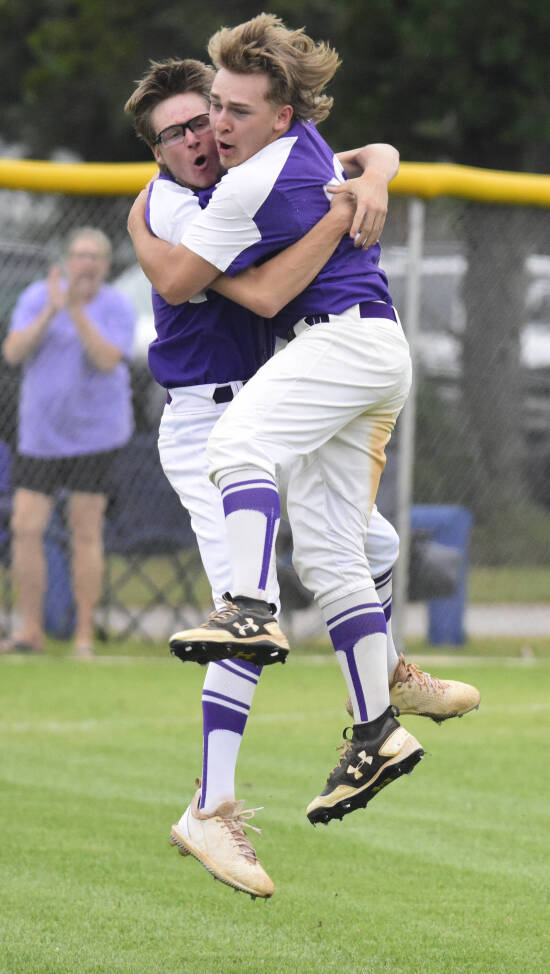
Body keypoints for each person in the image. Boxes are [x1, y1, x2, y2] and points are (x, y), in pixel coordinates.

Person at [126, 46, 479, 897]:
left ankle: (381, 692)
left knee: (369, 544)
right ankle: (210, 808)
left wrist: (378, 173)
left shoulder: (258, 161)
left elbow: (366, 149)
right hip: (212, 410)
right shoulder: (175, 204)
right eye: (180, 128)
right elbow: (245, 292)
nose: (204, 131)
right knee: (257, 610)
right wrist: (348, 205)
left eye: (214, 110)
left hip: (288, 390)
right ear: (157, 152)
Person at [0, 227, 136, 659]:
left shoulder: (115, 304)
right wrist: (51, 312)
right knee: (25, 526)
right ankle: (31, 632)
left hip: (94, 435)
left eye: (95, 256)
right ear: (64, 261)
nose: (87, 263)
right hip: (41, 434)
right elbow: (13, 353)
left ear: (106, 265)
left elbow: (108, 359)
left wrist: (76, 313)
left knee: (84, 530)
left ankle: (82, 636)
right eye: (79, 254)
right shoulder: (38, 296)